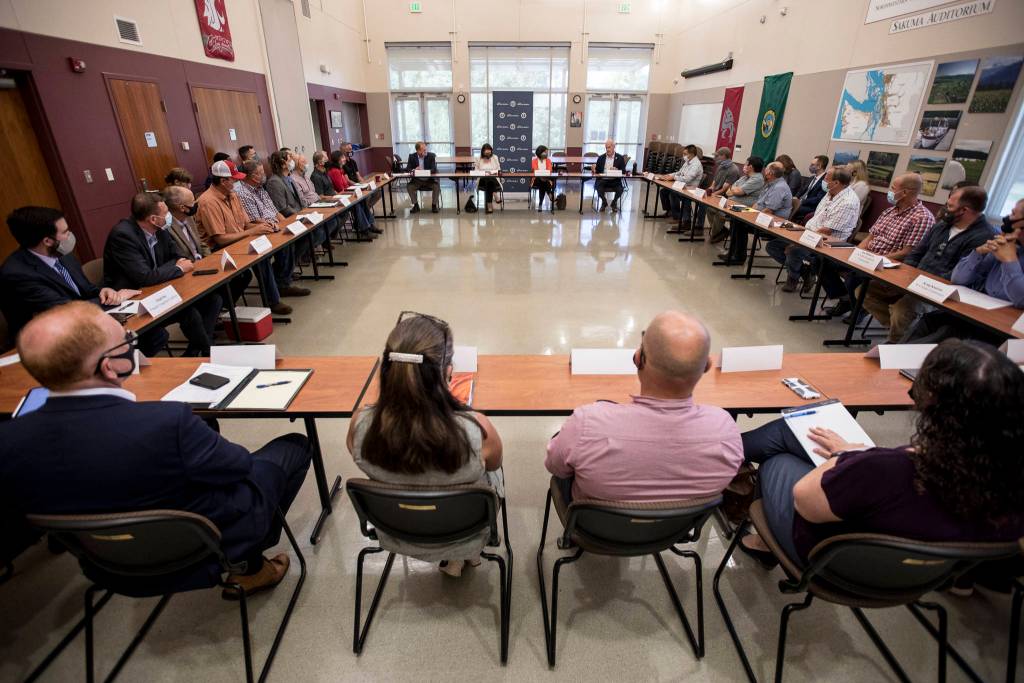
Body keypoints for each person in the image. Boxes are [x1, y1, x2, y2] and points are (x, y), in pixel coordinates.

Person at [0, 302, 312, 598]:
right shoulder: (166, 421)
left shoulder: (9, 441)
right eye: (126, 341)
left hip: (108, 565)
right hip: (203, 544)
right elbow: (239, 465)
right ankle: (248, 564)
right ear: (109, 368)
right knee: (293, 447)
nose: (132, 347)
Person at [735, 340, 1024, 569]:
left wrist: (848, 457)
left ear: (933, 406)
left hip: (828, 561)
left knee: (780, 458)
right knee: (795, 434)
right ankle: (729, 452)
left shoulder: (890, 469)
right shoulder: (1009, 483)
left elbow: (805, 501)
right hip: (918, 575)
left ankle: (760, 534)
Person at [347, 312, 503, 578]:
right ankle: (462, 555)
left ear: (387, 372)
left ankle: (452, 559)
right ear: (448, 374)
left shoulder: (360, 424)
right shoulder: (477, 429)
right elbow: (495, 464)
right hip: (462, 530)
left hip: (398, 529)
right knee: (493, 470)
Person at [546, 311, 742, 502]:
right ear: (707, 366)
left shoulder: (587, 424)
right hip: (675, 531)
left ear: (638, 359)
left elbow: (555, 467)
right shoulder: (727, 432)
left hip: (592, 530)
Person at [862, 185, 994, 341]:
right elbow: (917, 252)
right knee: (864, 290)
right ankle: (906, 334)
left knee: (902, 310)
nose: (945, 208)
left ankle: (898, 342)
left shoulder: (983, 236)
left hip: (941, 292)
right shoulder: (941, 225)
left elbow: (958, 274)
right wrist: (906, 273)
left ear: (964, 210)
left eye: (950, 206)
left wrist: (921, 280)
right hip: (913, 281)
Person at [103, 193, 221, 357]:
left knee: (213, 299)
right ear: (153, 219)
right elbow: (144, 277)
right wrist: (177, 269)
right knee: (189, 313)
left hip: (161, 287)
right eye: (166, 213)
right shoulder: (123, 236)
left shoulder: (160, 229)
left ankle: (196, 350)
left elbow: (179, 256)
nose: (169, 216)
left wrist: (168, 269)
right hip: (135, 299)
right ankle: (208, 352)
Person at [0, 207, 138, 343]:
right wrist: (118, 299)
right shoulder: (17, 274)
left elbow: (87, 290)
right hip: (49, 341)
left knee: (142, 329)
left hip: (83, 323)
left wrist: (105, 292)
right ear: (47, 241)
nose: (70, 235)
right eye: (65, 232)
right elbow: (65, 310)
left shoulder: (61, 254)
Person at [903, 198, 1024, 343]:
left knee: (947, 333)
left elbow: (1021, 299)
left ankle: (891, 361)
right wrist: (978, 253)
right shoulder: (1008, 245)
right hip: (974, 314)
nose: (1008, 218)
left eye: (1013, 214)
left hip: (1004, 331)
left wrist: (1010, 261)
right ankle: (887, 360)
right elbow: (959, 278)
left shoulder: (1009, 252)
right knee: (929, 321)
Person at [820, 173, 934, 319]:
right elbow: (870, 237)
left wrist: (876, 259)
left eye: (893, 188)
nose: (890, 191)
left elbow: (907, 252)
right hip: (868, 257)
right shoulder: (889, 211)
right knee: (824, 261)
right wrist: (856, 254)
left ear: (905, 192)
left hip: (888, 264)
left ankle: (858, 309)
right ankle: (846, 299)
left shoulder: (922, 218)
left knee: (854, 278)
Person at [194, 160, 292, 316]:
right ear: (223, 181)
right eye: (233, 179)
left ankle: (277, 291)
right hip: (218, 250)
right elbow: (220, 239)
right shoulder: (208, 202)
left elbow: (246, 224)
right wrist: (253, 231)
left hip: (240, 241)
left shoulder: (232, 195)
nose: (237, 182)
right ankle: (271, 301)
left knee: (267, 250)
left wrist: (266, 226)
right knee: (259, 261)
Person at [765, 167, 860, 292]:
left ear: (836, 183)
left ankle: (793, 278)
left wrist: (798, 240)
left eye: (826, 179)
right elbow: (817, 219)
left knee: (794, 251)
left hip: (826, 244)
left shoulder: (848, 202)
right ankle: (805, 272)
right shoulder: (831, 192)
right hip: (810, 234)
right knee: (773, 246)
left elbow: (826, 231)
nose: (823, 181)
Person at [233, 159, 310, 299]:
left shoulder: (260, 188)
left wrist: (285, 224)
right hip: (261, 230)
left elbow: (275, 212)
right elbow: (255, 220)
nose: (264, 175)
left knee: (298, 237)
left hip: (274, 226)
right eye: (260, 173)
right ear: (251, 176)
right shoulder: (243, 193)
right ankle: (281, 284)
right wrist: (277, 227)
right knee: (285, 246)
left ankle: (282, 279)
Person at [721, 161, 792, 265]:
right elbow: (758, 203)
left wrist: (750, 218)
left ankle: (739, 257)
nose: (764, 171)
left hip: (772, 222)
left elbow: (768, 210)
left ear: (770, 173)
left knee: (740, 224)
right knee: (736, 219)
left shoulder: (779, 187)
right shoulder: (771, 184)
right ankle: (733, 253)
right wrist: (749, 213)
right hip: (760, 216)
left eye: (766, 169)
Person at [707, 155, 765, 245]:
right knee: (710, 208)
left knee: (719, 212)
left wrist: (735, 190)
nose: (744, 166)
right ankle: (721, 231)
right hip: (732, 204)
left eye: (746, 164)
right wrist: (735, 191)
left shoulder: (757, 179)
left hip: (745, 209)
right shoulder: (745, 177)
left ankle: (718, 233)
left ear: (751, 167)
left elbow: (738, 191)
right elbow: (729, 191)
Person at [326, 150, 379, 236]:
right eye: (342, 157)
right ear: (337, 159)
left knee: (362, 201)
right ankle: (364, 229)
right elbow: (341, 188)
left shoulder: (340, 170)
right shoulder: (335, 171)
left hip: (347, 194)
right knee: (357, 204)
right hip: (342, 197)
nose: (344, 159)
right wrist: (352, 191)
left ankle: (370, 225)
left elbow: (346, 185)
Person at [658, 144, 703, 226]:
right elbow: (679, 172)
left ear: (692, 154)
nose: (684, 156)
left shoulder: (696, 165)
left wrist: (673, 178)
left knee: (673, 194)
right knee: (664, 191)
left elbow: (687, 179)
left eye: (685, 154)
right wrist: (668, 175)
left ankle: (678, 217)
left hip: (690, 189)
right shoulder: (687, 162)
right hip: (682, 186)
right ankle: (670, 211)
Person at [340, 141, 382, 208]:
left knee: (377, 192)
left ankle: (366, 209)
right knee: (366, 196)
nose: (351, 151)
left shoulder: (353, 161)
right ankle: (364, 211)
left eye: (351, 149)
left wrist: (364, 183)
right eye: (348, 149)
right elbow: (347, 180)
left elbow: (358, 175)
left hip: (358, 184)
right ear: (343, 151)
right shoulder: (342, 164)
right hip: (351, 186)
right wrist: (358, 185)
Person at [265, 150, 303, 218]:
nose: (292, 162)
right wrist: (300, 215)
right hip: (292, 218)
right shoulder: (274, 182)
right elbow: (283, 208)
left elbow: (299, 199)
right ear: (283, 165)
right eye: (290, 160)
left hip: (300, 213)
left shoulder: (289, 177)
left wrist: (307, 211)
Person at [792, 155, 829, 224]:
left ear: (819, 166)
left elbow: (818, 199)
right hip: (800, 203)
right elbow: (801, 190)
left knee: (791, 208)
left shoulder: (825, 181)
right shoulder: (811, 178)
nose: (810, 166)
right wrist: (795, 197)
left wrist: (802, 201)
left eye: (812, 165)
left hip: (810, 207)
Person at [405, 141, 440, 213]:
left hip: (428, 180)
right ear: (418, 150)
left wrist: (423, 171)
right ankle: (416, 205)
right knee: (409, 186)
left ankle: (434, 206)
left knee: (436, 186)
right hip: (417, 181)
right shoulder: (412, 156)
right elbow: (408, 169)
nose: (425, 151)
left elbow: (434, 169)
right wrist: (414, 170)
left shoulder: (431, 156)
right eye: (423, 150)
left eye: (425, 149)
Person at [594, 139, 627, 213]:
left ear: (613, 147)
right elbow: (597, 171)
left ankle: (614, 202)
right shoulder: (601, 158)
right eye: (606, 148)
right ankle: (604, 202)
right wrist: (594, 169)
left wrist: (617, 170)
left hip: (615, 180)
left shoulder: (620, 158)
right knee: (598, 187)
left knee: (620, 189)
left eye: (609, 147)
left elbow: (624, 171)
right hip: (603, 179)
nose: (607, 149)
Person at [474, 143, 502, 214]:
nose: (488, 155)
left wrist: (493, 172)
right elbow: (476, 170)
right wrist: (483, 173)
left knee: (490, 180)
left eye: (489, 153)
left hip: (494, 179)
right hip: (482, 180)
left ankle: (489, 204)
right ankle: (495, 194)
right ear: (483, 152)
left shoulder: (495, 157)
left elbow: (499, 169)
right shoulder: (478, 158)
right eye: (486, 153)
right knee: (487, 178)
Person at [531, 145, 556, 211]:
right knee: (541, 180)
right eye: (545, 152)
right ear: (540, 153)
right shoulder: (534, 161)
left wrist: (542, 174)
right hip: (536, 180)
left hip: (546, 179)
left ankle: (540, 204)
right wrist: (543, 173)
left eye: (547, 152)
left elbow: (550, 170)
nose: (547, 154)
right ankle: (550, 193)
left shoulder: (548, 161)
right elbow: (536, 171)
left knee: (543, 183)